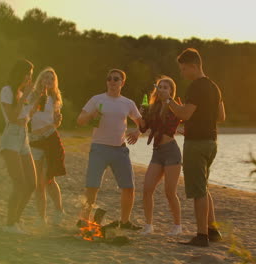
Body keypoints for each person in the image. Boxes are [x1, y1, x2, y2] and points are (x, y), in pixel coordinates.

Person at [158, 48, 226, 247]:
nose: (182, 73)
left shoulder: (196, 87)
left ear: (194, 66)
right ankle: (213, 230)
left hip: (196, 144)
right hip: (211, 142)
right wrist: (200, 121)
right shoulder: (215, 87)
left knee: (197, 191)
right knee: (202, 186)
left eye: (184, 69)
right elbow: (221, 117)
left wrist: (168, 100)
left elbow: (185, 114)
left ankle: (201, 235)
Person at [76, 69, 143, 230]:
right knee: (92, 186)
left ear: (122, 83)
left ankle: (125, 222)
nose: (112, 82)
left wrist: (137, 131)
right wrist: (93, 114)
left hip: (120, 150)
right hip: (99, 148)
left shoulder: (128, 103)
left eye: (116, 79)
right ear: (106, 82)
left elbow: (142, 122)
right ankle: (84, 220)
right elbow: (80, 121)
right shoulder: (96, 99)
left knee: (129, 187)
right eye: (109, 79)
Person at [138, 76, 183, 236]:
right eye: (160, 87)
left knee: (170, 192)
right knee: (147, 189)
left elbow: (183, 117)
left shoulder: (175, 106)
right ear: (156, 89)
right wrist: (141, 116)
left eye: (166, 87)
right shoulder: (153, 107)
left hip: (171, 151)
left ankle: (177, 226)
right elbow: (143, 128)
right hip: (157, 152)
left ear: (171, 91)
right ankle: (149, 225)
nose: (162, 89)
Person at [0, 59, 39, 234]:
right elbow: (13, 118)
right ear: (19, 73)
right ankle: (9, 224)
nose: (29, 78)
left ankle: (16, 220)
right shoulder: (7, 91)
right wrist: (24, 97)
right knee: (19, 183)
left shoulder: (24, 92)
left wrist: (35, 101)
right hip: (11, 138)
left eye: (31, 75)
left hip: (24, 138)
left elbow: (26, 117)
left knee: (31, 184)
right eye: (27, 74)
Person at [28, 67, 66, 226]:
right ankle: (41, 217)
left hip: (50, 140)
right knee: (38, 183)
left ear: (54, 82)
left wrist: (57, 122)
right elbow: (27, 116)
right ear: (40, 80)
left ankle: (58, 211)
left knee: (49, 179)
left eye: (51, 79)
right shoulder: (31, 96)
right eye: (45, 78)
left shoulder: (55, 99)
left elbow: (55, 123)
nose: (48, 81)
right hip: (35, 140)